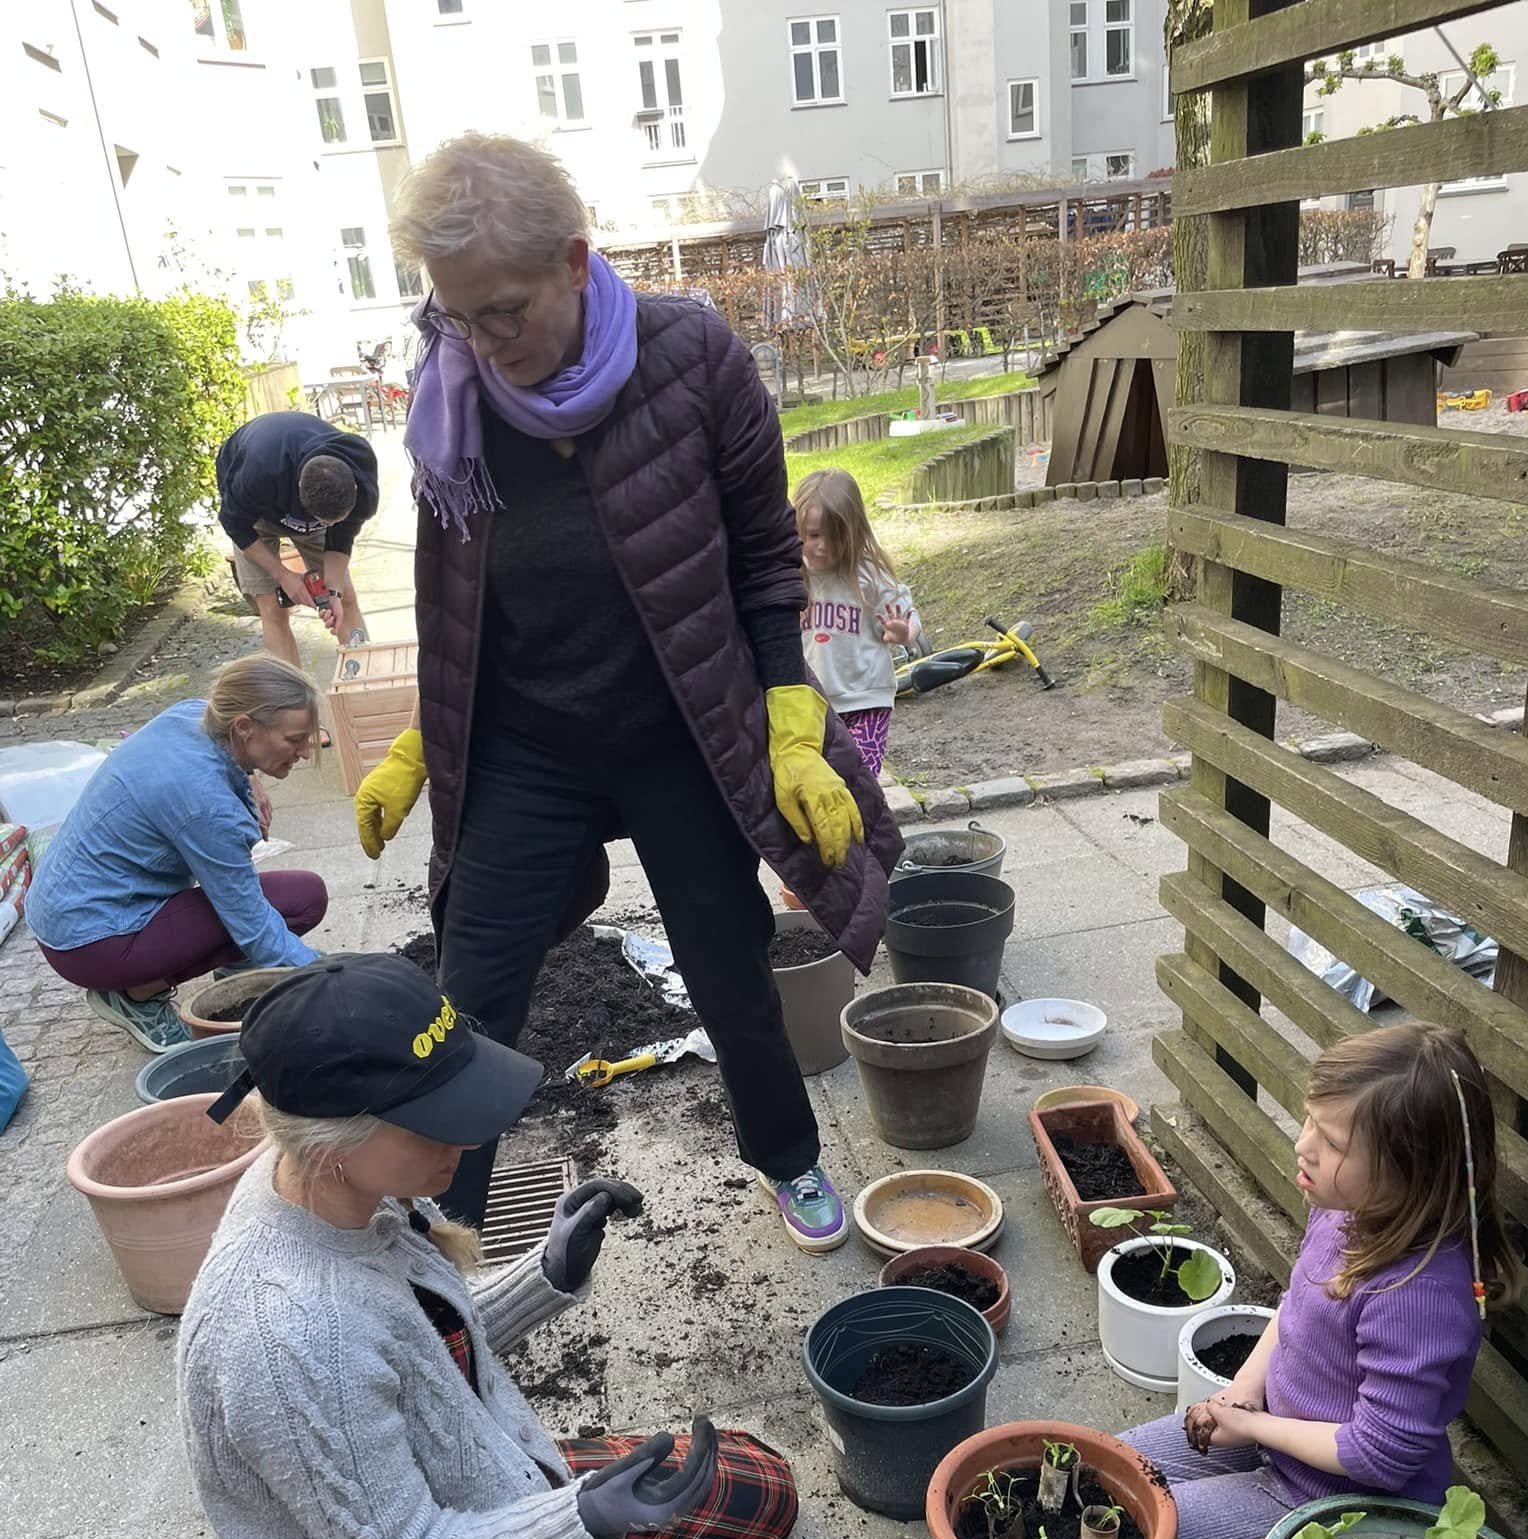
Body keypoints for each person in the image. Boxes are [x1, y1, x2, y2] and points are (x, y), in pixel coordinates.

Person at [351, 133, 900, 1252]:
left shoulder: (693, 357)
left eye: (503, 310)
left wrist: (791, 723)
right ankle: (443, 1222)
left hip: (678, 726)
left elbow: (763, 557)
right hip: (525, 739)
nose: (485, 341)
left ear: (573, 259)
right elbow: (455, 592)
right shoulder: (453, 388)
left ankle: (788, 1159)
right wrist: (425, 735)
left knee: (725, 953)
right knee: (475, 978)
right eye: (458, 316)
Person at [178, 954, 832, 1539]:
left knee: (761, 1488)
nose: (469, 1142)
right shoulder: (284, 1335)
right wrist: (579, 1520)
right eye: (440, 1120)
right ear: (340, 1135)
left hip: (465, 1504)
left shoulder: (331, 1191)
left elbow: (412, 1349)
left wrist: (547, 1275)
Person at [1123, 1022, 1517, 1539]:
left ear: (1407, 1170)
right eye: (1310, 1120)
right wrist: (1240, 1397)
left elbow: (1377, 1455)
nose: (1304, 1145)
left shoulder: (1420, 1298)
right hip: (1280, 1444)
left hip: (1339, 1503)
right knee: (1113, 1469)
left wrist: (1254, 1430)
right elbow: (1294, 1308)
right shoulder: (1345, 1213)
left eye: (1331, 1141)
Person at [27, 657, 326, 1053]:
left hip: (65, 904)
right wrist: (329, 977)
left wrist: (248, 778)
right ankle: (134, 998)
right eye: (294, 739)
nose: (305, 751)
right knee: (265, 924)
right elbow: (251, 923)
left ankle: (235, 974)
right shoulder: (207, 807)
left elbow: (223, 752)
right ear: (244, 727)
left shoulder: (190, 716)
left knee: (304, 896)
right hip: (92, 940)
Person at [216, 412, 379, 666]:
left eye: (335, 521)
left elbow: (342, 535)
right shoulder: (258, 473)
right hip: (255, 517)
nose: (332, 527)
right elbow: (234, 524)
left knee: (345, 598)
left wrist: (333, 591)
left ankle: (363, 684)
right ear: (301, 498)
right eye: (324, 522)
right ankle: (291, 699)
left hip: (309, 498)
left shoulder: (360, 468)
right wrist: (283, 576)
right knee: (272, 608)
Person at [794, 467, 922, 780]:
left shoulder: (869, 575)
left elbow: (910, 617)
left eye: (833, 536)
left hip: (867, 699)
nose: (821, 546)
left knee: (858, 784)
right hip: (812, 703)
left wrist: (904, 632)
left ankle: (865, 829)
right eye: (812, 535)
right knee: (820, 788)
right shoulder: (792, 577)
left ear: (852, 532)